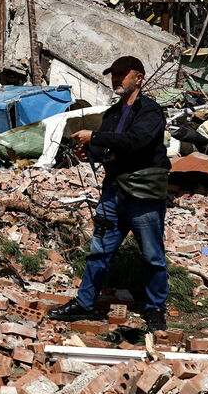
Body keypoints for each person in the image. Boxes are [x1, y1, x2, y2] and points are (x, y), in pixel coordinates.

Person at [48, 55, 171, 331]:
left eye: (121, 74)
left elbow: (136, 142)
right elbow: (104, 148)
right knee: (99, 252)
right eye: (113, 74)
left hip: (143, 196)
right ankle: (84, 303)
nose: (116, 78)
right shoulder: (113, 113)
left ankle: (155, 310)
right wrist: (87, 151)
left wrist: (95, 138)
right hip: (113, 193)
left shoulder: (150, 111)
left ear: (138, 78)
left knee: (152, 255)